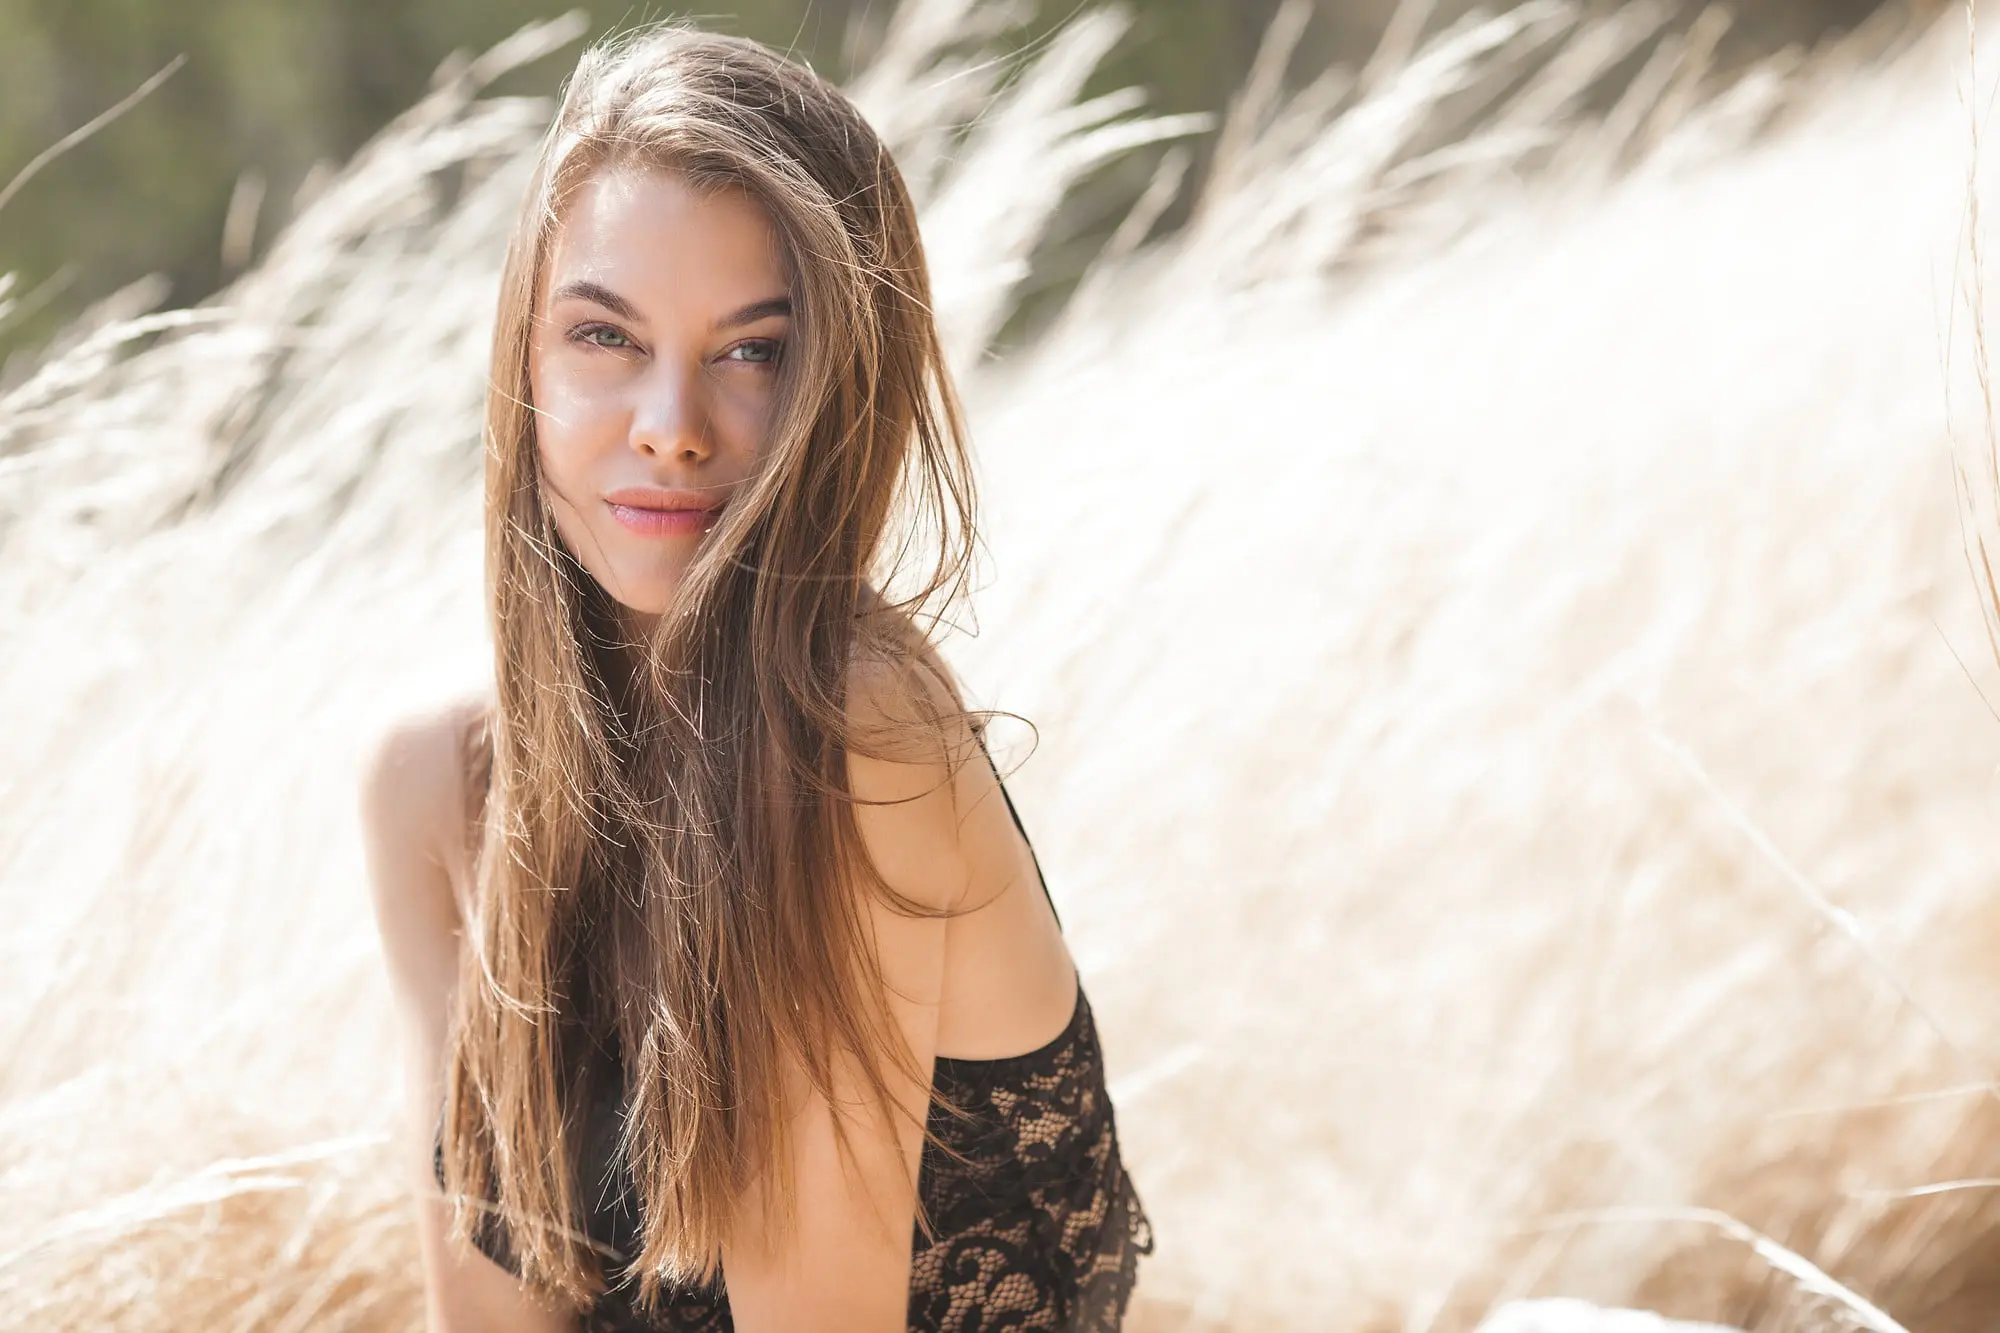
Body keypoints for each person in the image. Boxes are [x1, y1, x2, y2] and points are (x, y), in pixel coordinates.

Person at [359, 24, 1154, 1333]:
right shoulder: (435, 790)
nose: (671, 422)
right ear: (525, 369)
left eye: (753, 351)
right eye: (604, 336)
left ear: (841, 385)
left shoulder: (854, 740)